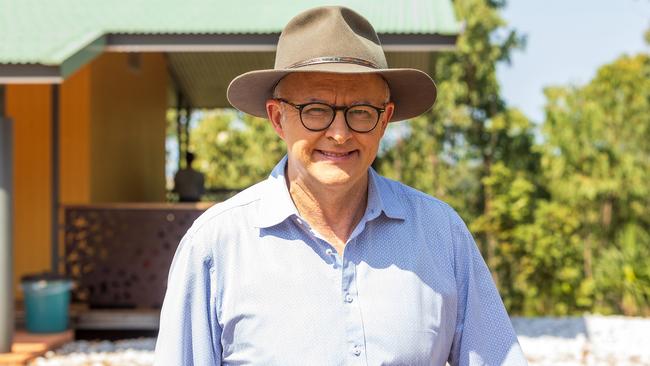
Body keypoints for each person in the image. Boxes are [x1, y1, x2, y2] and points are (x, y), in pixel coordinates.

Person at [155, 6, 527, 366]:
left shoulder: (441, 233)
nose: (339, 133)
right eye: (315, 109)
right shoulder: (216, 246)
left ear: (385, 120)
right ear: (277, 117)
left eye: (361, 112)